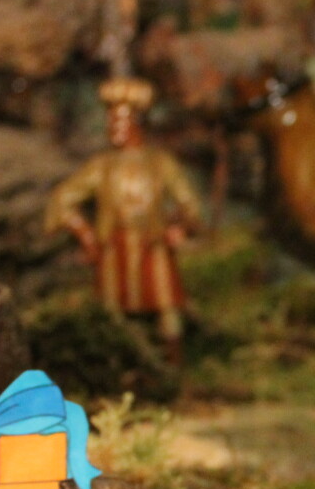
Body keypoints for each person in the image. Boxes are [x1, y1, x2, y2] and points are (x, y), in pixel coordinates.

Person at [44, 76, 202, 358]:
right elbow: (62, 198)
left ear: (136, 123)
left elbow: (189, 203)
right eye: (111, 121)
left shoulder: (160, 163)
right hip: (113, 248)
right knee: (111, 310)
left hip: (153, 246)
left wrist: (180, 227)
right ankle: (117, 360)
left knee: (166, 305)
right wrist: (86, 234)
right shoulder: (101, 166)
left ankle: (173, 360)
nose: (113, 128)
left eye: (120, 121)